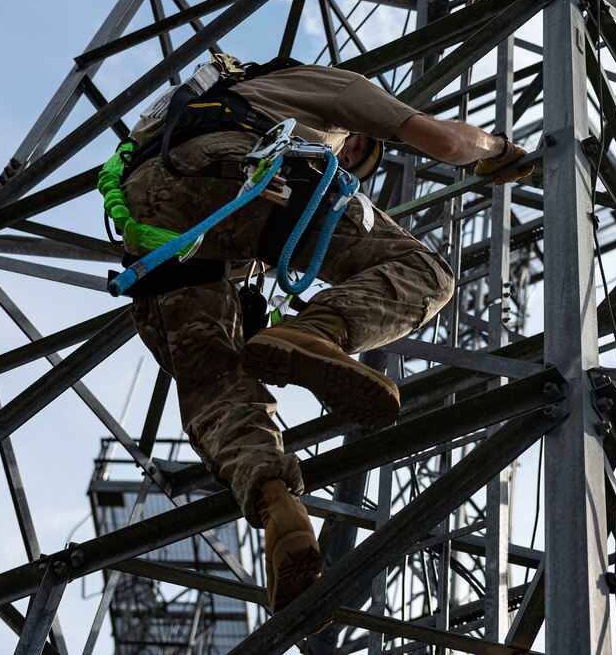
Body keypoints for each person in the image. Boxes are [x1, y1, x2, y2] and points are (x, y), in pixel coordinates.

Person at [116, 58, 534, 614]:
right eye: (356, 152)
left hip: (156, 224)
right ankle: (316, 332)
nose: (346, 161)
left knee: (215, 381)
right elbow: (445, 141)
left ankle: (274, 501)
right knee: (424, 273)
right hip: (240, 171)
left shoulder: (203, 106)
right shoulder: (333, 89)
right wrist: (498, 151)